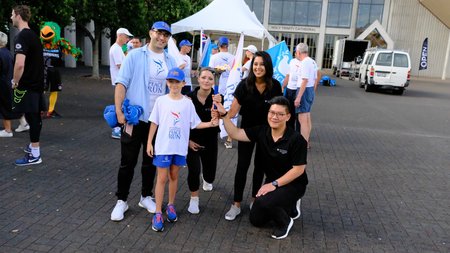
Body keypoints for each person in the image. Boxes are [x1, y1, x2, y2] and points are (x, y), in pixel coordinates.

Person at [213, 96, 308, 240]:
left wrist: (273, 185)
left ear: (288, 117)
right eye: (272, 112)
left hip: (294, 183)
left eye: (280, 114)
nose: (274, 117)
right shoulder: (262, 132)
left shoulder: (296, 139)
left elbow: (298, 169)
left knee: (266, 202)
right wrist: (225, 115)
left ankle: (285, 222)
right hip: (272, 181)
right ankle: (287, 204)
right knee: (256, 220)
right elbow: (235, 133)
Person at [110, 21, 178, 222]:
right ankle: (121, 200)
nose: (162, 38)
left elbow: (176, 89)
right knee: (127, 162)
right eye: (159, 33)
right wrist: (119, 113)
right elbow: (121, 84)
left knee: (150, 162)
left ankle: (146, 196)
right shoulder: (135, 55)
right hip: (134, 118)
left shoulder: (171, 60)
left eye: (166, 35)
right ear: (151, 33)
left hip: (157, 121)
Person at [146, 67, 218, 232]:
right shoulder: (161, 101)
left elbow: (195, 123)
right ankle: (158, 212)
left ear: (183, 83)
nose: (174, 85)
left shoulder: (187, 103)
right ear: (167, 82)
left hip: (179, 148)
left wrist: (211, 124)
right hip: (163, 147)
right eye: (171, 81)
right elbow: (154, 122)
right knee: (162, 178)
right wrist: (150, 142)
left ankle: (170, 205)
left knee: (173, 176)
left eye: (177, 82)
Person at [223, 51, 282, 221]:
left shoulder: (275, 86)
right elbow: (233, 111)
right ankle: (236, 204)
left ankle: (255, 200)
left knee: (260, 168)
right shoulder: (244, 85)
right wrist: (222, 115)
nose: (258, 67)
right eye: (255, 64)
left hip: (266, 133)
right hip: (246, 132)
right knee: (242, 166)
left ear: (268, 66)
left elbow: (279, 111)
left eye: (262, 64)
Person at [10, 5, 45, 166]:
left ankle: (35, 154)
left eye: (11, 14)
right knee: (35, 118)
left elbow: (19, 65)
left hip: (29, 86)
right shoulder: (34, 36)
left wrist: (15, 81)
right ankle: (33, 148)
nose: (10, 17)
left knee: (32, 117)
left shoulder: (22, 37)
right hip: (36, 85)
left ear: (18, 15)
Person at [186, 67, 223, 214]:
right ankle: (194, 199)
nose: (206, 81)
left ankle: (207, 179)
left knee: (210, 176)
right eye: (204, 77)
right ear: (198, 78)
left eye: (210, 79)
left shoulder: (217, 97)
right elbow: (183, 122)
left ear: (214, 82)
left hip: (210, 140)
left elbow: (222, 115)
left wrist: (219, 105)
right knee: (194, 171)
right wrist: (187, 140)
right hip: (193, 140)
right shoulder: (188, 97)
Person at [109, 27, 132, 139]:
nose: (127, 39)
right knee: (119, 105)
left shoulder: (119, 48)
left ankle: (119, 127)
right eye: (126, 37)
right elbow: (120, 66)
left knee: (121, 104)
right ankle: (116, 128)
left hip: (121, 81)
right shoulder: (116, 49)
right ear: (120, 36)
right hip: (120, 82)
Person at [0, 31, 23, 137]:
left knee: (4, 106)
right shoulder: (8, 52)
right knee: (12, 104)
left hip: (3, 83)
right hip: (9, 81)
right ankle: (24, 123)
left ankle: (8, 130)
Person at [294, 43, 318, 146]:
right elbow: (315, 78)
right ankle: (306, 142)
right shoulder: (312, 62)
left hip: (303, 90)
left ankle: (303, 144)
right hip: (310, 90)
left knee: (302, 119)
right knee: (307, 117)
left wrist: (298, 97)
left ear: (298, 52)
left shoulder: (304, 63)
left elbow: (304, 80)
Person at [282, 46, 302, 131]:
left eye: (296, 52)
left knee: (298, 113)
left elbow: (318, 74)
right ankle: (289, 130)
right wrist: (283, 86)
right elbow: (288, 75)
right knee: (289, 111)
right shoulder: (292, 61)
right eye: (295, 52)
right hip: (290, 90)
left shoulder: (306, 62)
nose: (295, 54)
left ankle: (298, 133)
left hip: (298, 90)